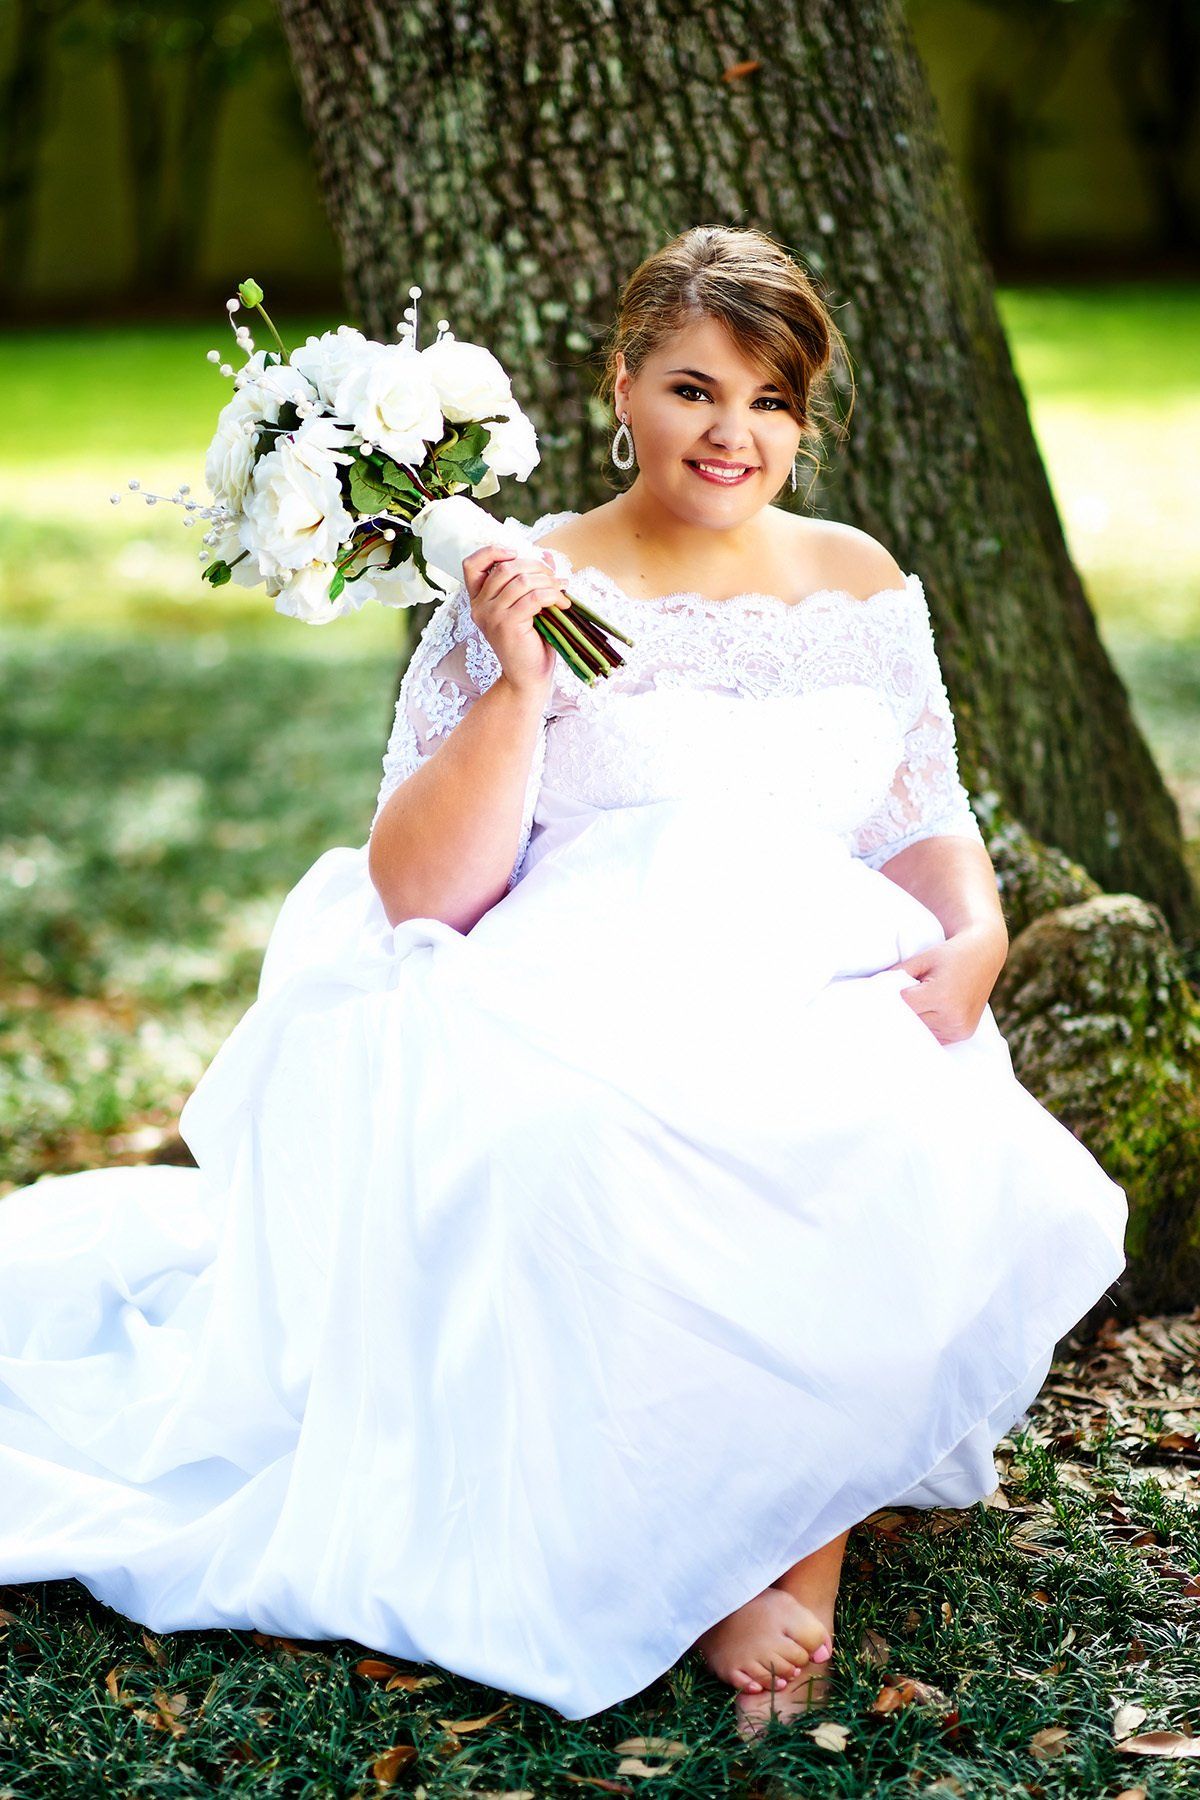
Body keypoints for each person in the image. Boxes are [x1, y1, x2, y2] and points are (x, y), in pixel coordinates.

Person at [0, 225, 1127, 1741]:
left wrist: (978, 932)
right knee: (588, 1151)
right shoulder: (531, 574)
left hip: (819, 966)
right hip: (592, 970)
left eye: (774, 402)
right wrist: (521, 676)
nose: (736, 435)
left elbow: (924, 814)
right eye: (695, 389)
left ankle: (792, 1548)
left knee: (888, 1133)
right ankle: (747, 1555)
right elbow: (424, 890)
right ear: (622, 387)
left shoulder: (859, 580)